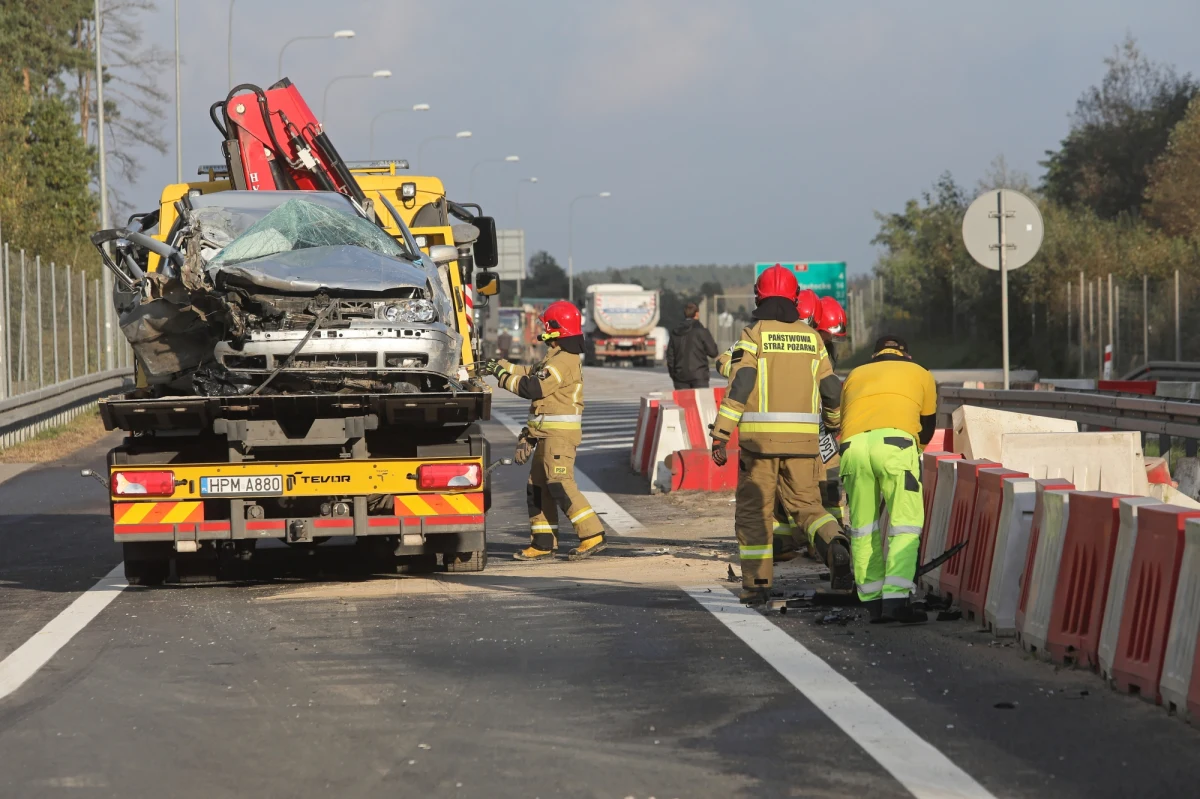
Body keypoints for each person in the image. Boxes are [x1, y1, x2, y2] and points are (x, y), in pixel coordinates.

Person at [710, 265, 846, 606]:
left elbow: (741, 384)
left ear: (759, 296)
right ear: (795, 298)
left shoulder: (754, 334)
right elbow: (831, 389)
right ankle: (836, 548)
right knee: (809, 508)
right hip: (804, 445)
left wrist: (721, 433)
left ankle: (757, 585)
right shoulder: (813, 338)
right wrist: (833, 423)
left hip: (759, 446)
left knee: (755, 512)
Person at [482, 301, 607, 562]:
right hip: (544, 435)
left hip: (559, 438)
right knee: (537, 487)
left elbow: (532, 388)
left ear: (557, 329)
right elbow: (531, 372)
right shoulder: (555, 358)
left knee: (559, 484)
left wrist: (501, 377)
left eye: (547, 326)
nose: (543, 330)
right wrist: (499, 365)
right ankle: (543, 542)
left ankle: (592, 534)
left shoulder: (564, 361)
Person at [839, 334, 938, 623]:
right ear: (905, 355)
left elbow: (845, 418)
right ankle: (895, 600)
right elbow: (927, 427)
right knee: (905, 523)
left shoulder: (856, 374)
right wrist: (913, 452)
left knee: (863, 526)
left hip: (854, 449)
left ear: (875, 356)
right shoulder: (920, 373)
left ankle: (870, 599)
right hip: (896, 447)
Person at [666, 302, 719, 389]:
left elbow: (670, 356)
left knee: (683, 402)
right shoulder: (702, 331)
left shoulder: (675, 332)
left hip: (680, 376)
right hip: (699, 375)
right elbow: (713, 352)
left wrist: (674, 375)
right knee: (700, 402)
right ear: (697, 314)